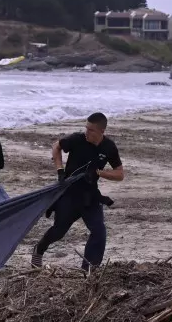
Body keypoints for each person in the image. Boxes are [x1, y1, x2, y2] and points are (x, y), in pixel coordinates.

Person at [31, 112, 123, 271]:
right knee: (59, 231)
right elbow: (56, 146)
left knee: (99, 231)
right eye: (86, 128)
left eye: (91, 130)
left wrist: (100, 173)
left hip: (90, 196)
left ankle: (88, 270)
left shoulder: (109, 147)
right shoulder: (77, 139)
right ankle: (39, 249)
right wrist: (60, 169)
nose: (86, 132)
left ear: (102, 131)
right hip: (69, 194)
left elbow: (120, 174)